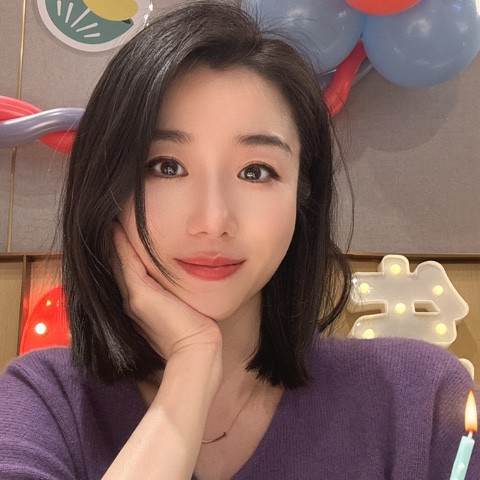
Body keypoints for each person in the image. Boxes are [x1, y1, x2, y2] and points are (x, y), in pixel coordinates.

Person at [0, 2, 478, 479]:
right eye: (166, 167)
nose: (213, 221)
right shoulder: (44, 405)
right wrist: (191, 369)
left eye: (256, 172)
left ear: (302, 197)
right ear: (107, 189)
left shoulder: (420, 402)